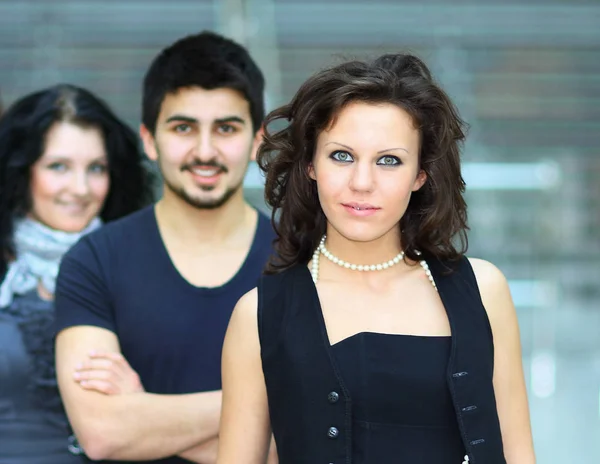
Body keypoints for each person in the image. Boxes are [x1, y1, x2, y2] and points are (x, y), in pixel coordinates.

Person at [218, 53, 537, 464]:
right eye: (341, 156)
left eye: (389, 160)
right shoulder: (259, 314)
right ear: (311, 163)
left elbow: (518, 454)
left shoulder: (483, 290)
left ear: (420, 175)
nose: (362, 183)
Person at [54, 31, 275, 464]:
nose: (205, 151)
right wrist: (271, 404)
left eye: (226, 128)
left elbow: (309, 444)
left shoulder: (303, 261)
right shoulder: (93, 260)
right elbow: (102, 433)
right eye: (183, 128)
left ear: (256, 141)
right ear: (149, 140)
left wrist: (142, 413)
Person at [0, 83, 153, 463]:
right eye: (58, 167)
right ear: (20, 171)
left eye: (96, 168)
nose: (81, 189)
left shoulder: (144, 262)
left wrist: (143, 401)